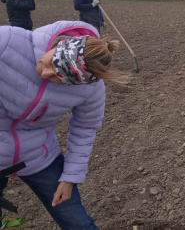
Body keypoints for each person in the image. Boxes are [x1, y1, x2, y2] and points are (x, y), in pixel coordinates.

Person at [0, 20, 127, 230]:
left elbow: (84, 129)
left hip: (38, 156)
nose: (46, 73)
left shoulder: (90, 89)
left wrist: (70, 178)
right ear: (57, 46)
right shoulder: (7, 42)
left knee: (77, 223)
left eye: (60, 78)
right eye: (51, 64)